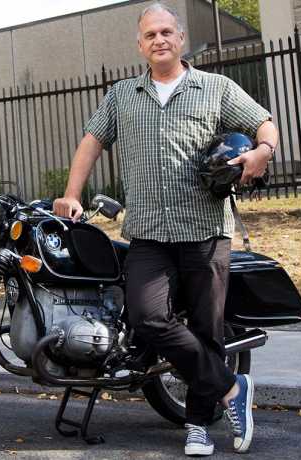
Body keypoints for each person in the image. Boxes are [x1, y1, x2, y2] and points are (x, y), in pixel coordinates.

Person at [53, 3, 278, 457]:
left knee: (206, 329)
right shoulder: (122, 95)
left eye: (166, 32)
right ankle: (233, 389)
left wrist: (264, 151)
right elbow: (91, 141)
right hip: (149, 233)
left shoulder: (214, 88)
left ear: (179, 38)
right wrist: (71, 194)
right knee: (147, 318)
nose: (159, 39)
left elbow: (263, 121)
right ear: (140, 45)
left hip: (204, 231)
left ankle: (198, 425)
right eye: (150, 34)